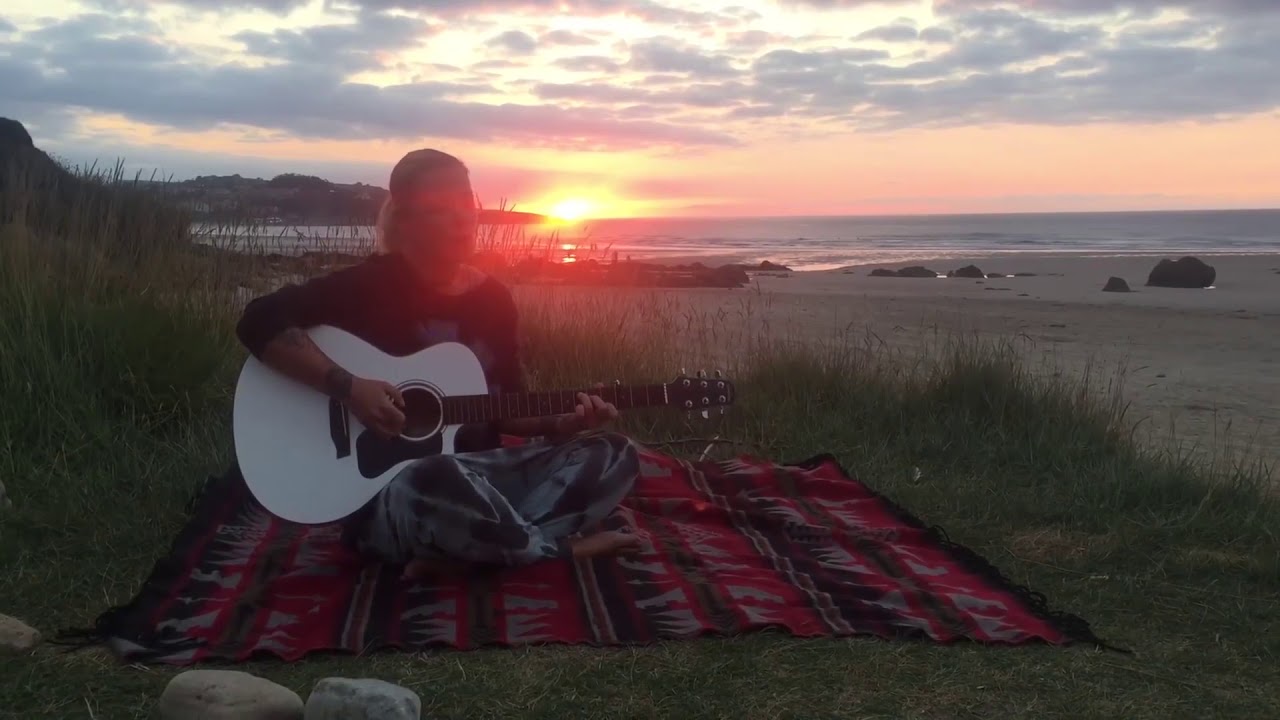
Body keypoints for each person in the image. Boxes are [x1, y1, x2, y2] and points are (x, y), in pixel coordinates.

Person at [234, 148, 643, 580]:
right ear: (406, 219)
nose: (463, 218)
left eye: (466, 202)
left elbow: (510, 406)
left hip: (483, 477)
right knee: (431, 476)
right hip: (389, 496)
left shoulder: (493, 299)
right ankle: (556, 550)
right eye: (441, 209)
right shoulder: (366, 287)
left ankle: (469, 550)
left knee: (613, 453)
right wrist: (350, 387)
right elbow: (258, 320)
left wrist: (565, 423)